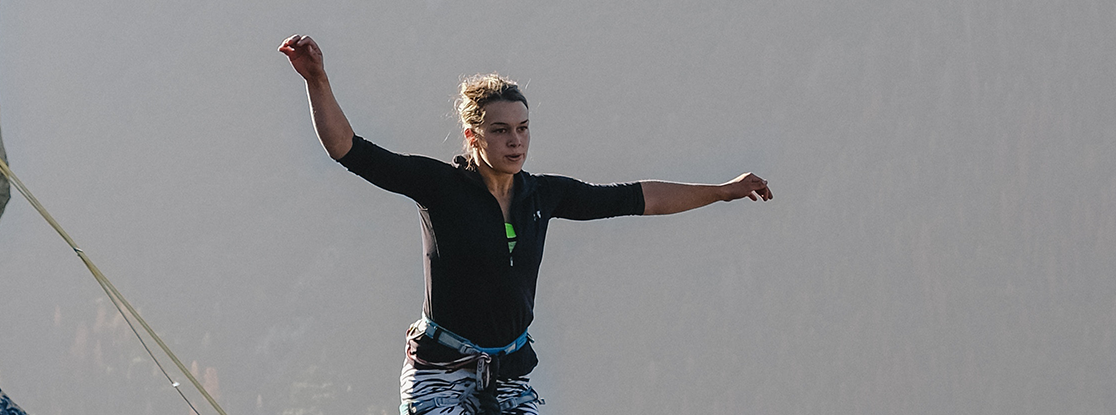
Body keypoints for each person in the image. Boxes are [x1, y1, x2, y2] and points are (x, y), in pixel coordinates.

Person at [278, 34, 773, 414]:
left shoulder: (542, 194)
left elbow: (639, 198)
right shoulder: (441, 187)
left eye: (522, 129)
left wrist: (722, 190)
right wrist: (317, 80)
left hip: (510, 373)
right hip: (441, 371)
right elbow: (349, 150)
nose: (515, 141)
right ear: (473, 136)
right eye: (500, 131)